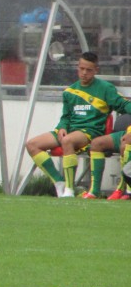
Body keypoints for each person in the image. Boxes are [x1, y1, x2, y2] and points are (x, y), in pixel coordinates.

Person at [25, 52, 131, 197]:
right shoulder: (70, 91)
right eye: (81, 69)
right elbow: (66, 116)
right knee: (32, 144)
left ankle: (69, 190)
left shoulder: (105, 89)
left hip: (90, 131)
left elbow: (123, 105)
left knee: (67, 140)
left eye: (88, 70)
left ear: (96, 70)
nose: (84, 73)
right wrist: (62, 127)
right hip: (69, 130)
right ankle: (59, 182)